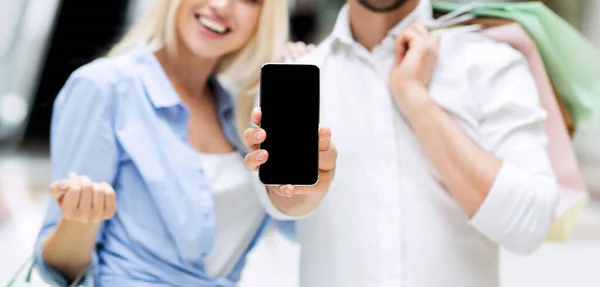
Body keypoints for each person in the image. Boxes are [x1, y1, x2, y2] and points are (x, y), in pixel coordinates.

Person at [243, 0, 560, 286]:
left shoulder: (490, 64)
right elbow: (285, 203)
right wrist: (298, 194)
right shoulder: (296, 76)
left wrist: (415, 99)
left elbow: (528, 227)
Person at [34, 0, 336, 286]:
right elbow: (59, 268)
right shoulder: (104, 87)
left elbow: (294, 226)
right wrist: (81, 220)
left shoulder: (239, 114)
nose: (221, 6)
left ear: (264, 17)